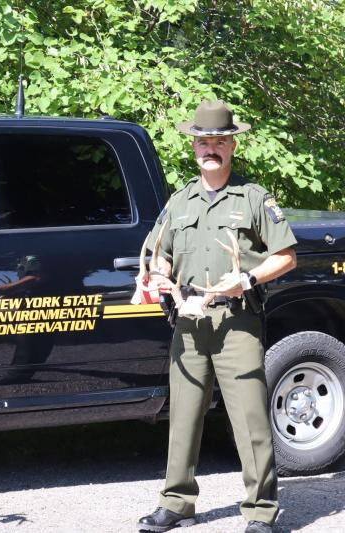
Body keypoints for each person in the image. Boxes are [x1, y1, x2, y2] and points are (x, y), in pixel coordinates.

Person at [137, 100, 297, 533]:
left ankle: (261, 510)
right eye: (204, 141)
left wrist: (244, 280)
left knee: (250, 419)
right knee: (184, 415)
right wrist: (161, 279)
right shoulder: (179, 201)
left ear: (231, 146)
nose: (211, 148)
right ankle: (176, 501)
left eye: (219, 142)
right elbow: (159, 255)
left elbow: (286, 256)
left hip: (237, 321)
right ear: (194, 146)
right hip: (188, 322)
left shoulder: (253, 198)